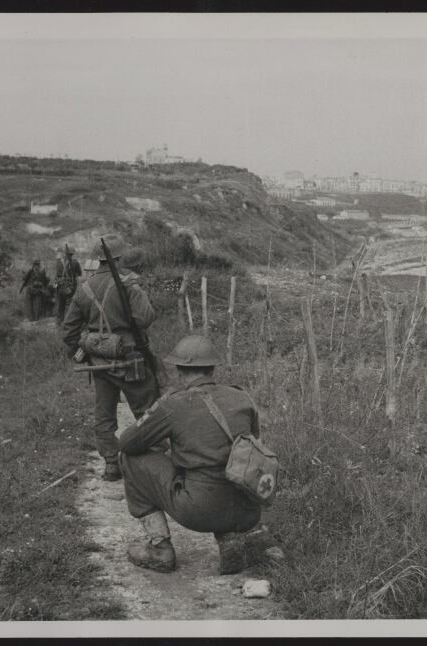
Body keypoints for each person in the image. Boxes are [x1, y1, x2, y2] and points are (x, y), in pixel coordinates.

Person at [116, 335, 275, 575]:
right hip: (248, 507)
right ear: (212, 368)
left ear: (180, 371)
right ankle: (232, 539)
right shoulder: (242, 396)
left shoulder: (174, 403)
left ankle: (159, 547)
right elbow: (250, 446)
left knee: (129, 459)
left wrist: (165, 447)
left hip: (201, 511)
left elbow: (128, 443)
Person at [62, 233, 160, 481]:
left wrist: (81, 354)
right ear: (119, 257)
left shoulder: (84, 288)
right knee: (147, 411)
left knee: (104, 415)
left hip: (99, 362)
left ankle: (111, 464)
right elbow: (146, 318)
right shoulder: (128, 284)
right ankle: (155, 461)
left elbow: (69, 330)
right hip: (131, 359)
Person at [55, 245, 83, 325]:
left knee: (60, 305)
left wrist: (55, 286)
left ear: (64, 253)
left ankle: (59, 322)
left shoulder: (58, 262)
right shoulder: (75, 262)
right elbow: (79, 274)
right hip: (71, 287)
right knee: (70, 305)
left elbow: (56, 276)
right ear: (72, 254)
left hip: (60, 286)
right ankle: (68, 322)